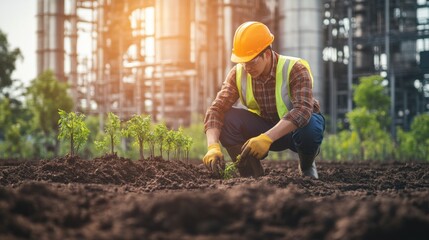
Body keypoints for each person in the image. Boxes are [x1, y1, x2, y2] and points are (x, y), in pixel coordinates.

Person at [202, 21, 325, 179]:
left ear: (266, 54)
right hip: (262, 127)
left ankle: (307, 166)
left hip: (293, 131)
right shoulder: (238, 73)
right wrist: (213, 145)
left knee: (311, 126)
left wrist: (268, 138)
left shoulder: (295, 68)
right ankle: (251, 173)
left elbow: (303, 110)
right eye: (243, 62)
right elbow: (216, 110)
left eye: (251, 62)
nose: (247, 68)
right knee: (227, 118)